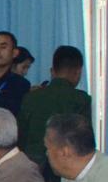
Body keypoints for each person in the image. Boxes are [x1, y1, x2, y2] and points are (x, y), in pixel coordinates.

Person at [17, 45, 92, 174]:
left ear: (52, 71)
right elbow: (85, 142)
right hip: (66, 168)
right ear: (78, 72)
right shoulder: (81, 99)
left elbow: (20, 137)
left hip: (32, 168)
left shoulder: (31, 97)